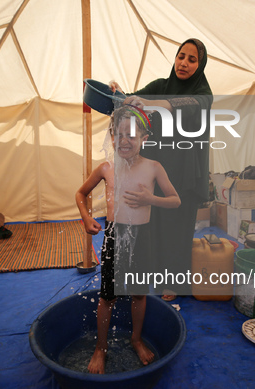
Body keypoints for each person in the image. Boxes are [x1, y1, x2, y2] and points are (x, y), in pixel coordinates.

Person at [76, 107, 180, 374]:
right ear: (111, 137)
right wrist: (87, 218)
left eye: (131, 135)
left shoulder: (153, 167)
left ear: (144, 137)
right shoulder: (106, 168)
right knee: (107, 296)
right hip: (114, 235)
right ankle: (100, 347)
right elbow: (80, 193)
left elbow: (175, 201)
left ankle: (135, 339)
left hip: (141, 238)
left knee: (138, 293)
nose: (124, 140)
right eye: (118, 134)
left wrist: (151, 200)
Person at [110, 38, 213, 301]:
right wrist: (119, 94)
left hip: (185, 172)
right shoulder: (160, 85)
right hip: (157, 167)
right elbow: (132, 101)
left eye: (192, 59)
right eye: (181, 56)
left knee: (178, 229)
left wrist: (157, 103)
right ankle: (154, 274)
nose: (184, 63)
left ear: (200, 65)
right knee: (153, 225)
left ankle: (175, 283)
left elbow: (190, 104)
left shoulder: (202, 93)